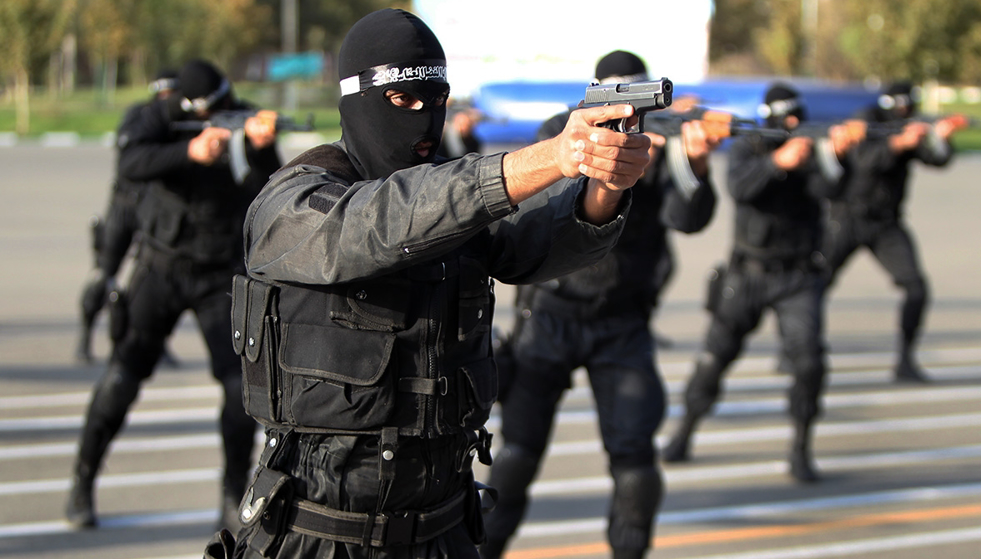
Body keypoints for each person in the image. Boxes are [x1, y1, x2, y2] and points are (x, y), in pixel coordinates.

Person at [203, 9, 653, 559]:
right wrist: (553, 156)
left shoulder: (450, 196)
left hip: (444, 528)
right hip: (321, 534)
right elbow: (379, 223)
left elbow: (534, 241)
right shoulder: (292, 201)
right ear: (359, 97)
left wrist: (605, 184)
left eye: (437, 100)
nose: (425, 119)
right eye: (404, 100)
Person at [480, 50, 719, 559]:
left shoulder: (661, 143)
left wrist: (693, 161)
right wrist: (602, 147)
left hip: (622, 319)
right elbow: (539, 198)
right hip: (550, 314)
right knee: (517, 455)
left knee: (635, 464)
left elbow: (688, 219)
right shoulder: (563, 128)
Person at [66, 59, 281, 531]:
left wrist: (262, 148)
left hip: (219, 274)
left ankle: (231, 494)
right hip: (160, 267)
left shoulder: (244, 117)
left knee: (239, 389)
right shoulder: (155, 118)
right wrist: (190, 151)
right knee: (122, 377)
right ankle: (83, 479)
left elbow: (271, 188)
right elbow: (130, 164)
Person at [661, 83, 862, 483]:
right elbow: (740, 189)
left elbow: (834, 190)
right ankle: (684, 431)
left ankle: (801, 448)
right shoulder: (748, 145)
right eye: (784, 115)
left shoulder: (811, 147)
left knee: (809, 363)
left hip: (797, 275)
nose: (792, 121)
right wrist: (777, 163)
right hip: (748, 273)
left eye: (796, 114)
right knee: (714, 358)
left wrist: (837, 155)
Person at [823, 81, 960, 383]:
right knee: (813, 284)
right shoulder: (867, 120)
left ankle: (906, 359)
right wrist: (899, 143)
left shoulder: (908, 126)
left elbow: (936, 159)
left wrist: (942, 139)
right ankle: (797, 349)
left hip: (886, 223)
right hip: (847, 217)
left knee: (916, 287)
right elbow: (865, 160)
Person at [75, 69, 181, 365]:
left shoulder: (181, 122)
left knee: (152, 279)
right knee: (104, 273)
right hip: (123, 206)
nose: (167, 100)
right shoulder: (140, 116)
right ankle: (85, 336)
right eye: (163, 94)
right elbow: (128, 154)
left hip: (153, 209)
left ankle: (155, 344)